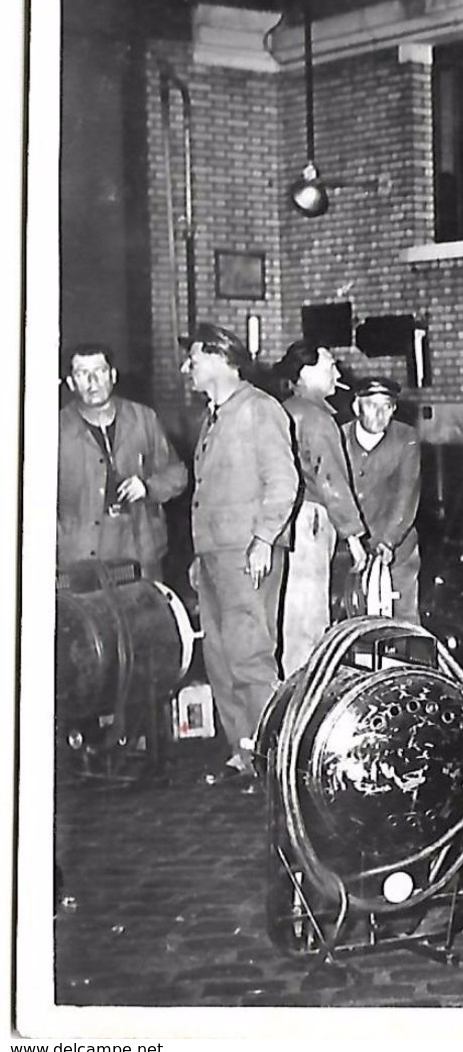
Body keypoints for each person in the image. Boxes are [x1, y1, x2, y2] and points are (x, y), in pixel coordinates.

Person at [181, 322, 299, 790]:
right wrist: (199, 555)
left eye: (193, 358)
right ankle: (243, 754)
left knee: (251, 656)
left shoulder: (259, 410)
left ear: (219, 358)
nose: (187, 368)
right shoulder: (214, 416)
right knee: (222, 659)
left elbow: (283, 481)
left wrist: (264, 539)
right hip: (214, 556)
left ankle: (275, 760)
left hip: (248, 554)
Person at [275, 341, 368, 677]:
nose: (338, 373)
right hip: (310, 522)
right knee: (308, 616)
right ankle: (306, 695)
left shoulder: (281, 410)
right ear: (306, 372)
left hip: (282, 523)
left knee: (287, 612)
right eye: (330, 365)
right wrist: (354, 536)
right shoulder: (316, 418)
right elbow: (331, 480)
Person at [57, 342, 188, 580]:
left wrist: (148, 487)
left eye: (99, 371)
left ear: (113, 375)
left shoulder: (144, 418)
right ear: (71, 383)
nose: (92, 381)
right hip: (80, 558)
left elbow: (177, 474)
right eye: (82, 374)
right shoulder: (56, 430)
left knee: (143, 616)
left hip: (139, 548)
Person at [342, 376, 422, 623]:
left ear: (394, 409)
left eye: (386, 406)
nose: (379, 414)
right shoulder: (338, 437)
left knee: (402, 618)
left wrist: (388, 542)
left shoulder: (405, 438)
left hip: (396, 547)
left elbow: (407, 494)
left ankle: (407, 661)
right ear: (357, 407)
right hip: (348, 548)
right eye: (371, 405)